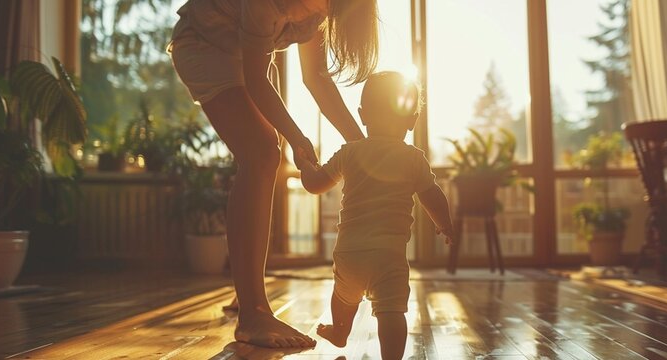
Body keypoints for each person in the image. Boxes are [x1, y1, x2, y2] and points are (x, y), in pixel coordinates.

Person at [168, 0, 379, 349]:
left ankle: (245, 290)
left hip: (245, 55)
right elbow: (254, 80)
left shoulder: (318, 12)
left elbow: (317, 78)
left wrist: (361, 145)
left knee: (264, 154)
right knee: (263, 152)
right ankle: (252, 313)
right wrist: (298, 139)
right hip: (203, 43)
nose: (323, 12)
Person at [297, 71, 456, 360]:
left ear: (362, 115)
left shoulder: (349, 153)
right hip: (389, 256)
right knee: (392, 311)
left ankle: (340, 331)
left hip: (350, 253)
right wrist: (444, 223)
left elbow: (315, 184)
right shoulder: (413, 158)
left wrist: (305, 165)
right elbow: (431, 194)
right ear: (412, 120)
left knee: (343, 297)